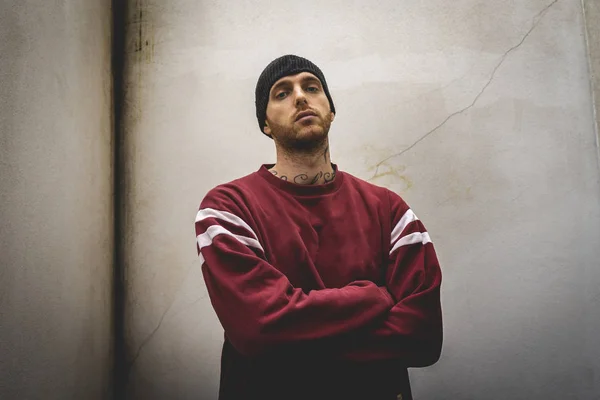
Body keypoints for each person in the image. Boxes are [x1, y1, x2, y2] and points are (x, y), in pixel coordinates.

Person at [194, 54, 443, 400]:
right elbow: (258, 330)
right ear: (265, 123)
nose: (300, 97)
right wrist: (375, 296)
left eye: (311, 87)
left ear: (331, 110)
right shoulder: (228, 208)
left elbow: (423, 336)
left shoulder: (390, 210)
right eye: (281, 93)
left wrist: (292, 345)